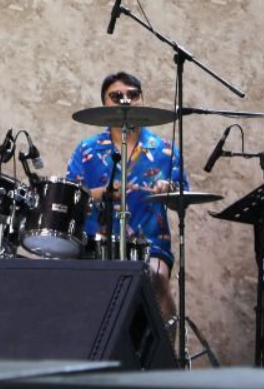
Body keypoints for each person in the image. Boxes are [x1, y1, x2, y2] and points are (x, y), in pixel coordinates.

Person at [66, 71, 186, 320]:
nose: (125, 101)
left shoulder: (165, 149)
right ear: (105, 104)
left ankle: (166, 357)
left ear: (142, 99)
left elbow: (183, 199)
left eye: (133, 95)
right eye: (116, 95)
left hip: (150, 243)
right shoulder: (87, 149)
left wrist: (170, 190)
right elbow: (71, 198)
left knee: (157, 278)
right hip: (95, 242)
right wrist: (101, 193)